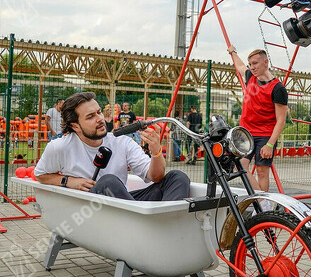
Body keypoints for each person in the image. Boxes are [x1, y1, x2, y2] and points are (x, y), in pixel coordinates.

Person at [34, 92, 190, 201]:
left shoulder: (122, 142)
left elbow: (155, 177)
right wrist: (68, 181)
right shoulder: (59, 147)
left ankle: (163, 223)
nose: (100, 119)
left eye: (99, 112)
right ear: (75, 126)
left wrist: (156, 152)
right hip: (91, 209)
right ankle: (148, 225)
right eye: (90, 116)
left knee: (177, 177)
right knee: (109, 182)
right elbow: (41, 175)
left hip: (124, 204)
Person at [227, 46, 288, 198]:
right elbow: (240, 66)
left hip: (265, 135)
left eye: (255, 63)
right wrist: (233, 52)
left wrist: (270, 144)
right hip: (246, 133)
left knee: (261, 171)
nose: (252, 67)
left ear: (266, 62)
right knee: (240, 166)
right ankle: (262, 200)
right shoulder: (250, 77)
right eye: (251, 64)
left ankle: (262, 202)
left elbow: (281, 120)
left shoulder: (278, 88)